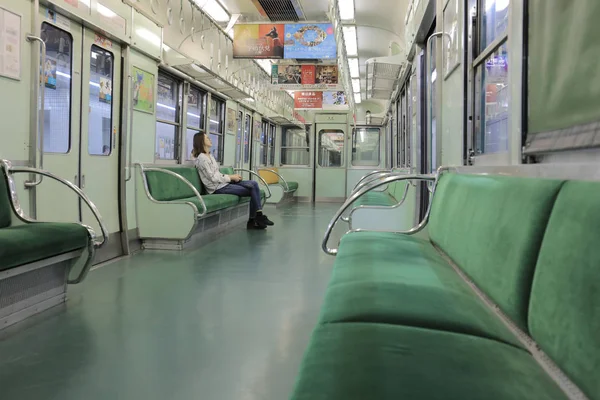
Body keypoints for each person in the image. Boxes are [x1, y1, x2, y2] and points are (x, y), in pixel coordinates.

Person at [192, 132, 273, 230]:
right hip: (216, 188)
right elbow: (212, 177)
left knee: (254, 184)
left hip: (223, 183)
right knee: (253, 190)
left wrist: (231, 178)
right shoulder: (202, 158)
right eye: (207, 138)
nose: (210, 139)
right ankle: (254, 219)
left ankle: (256, 218)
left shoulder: (210, 156)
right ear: (201, 141)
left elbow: (217, 174)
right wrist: (231, 177)